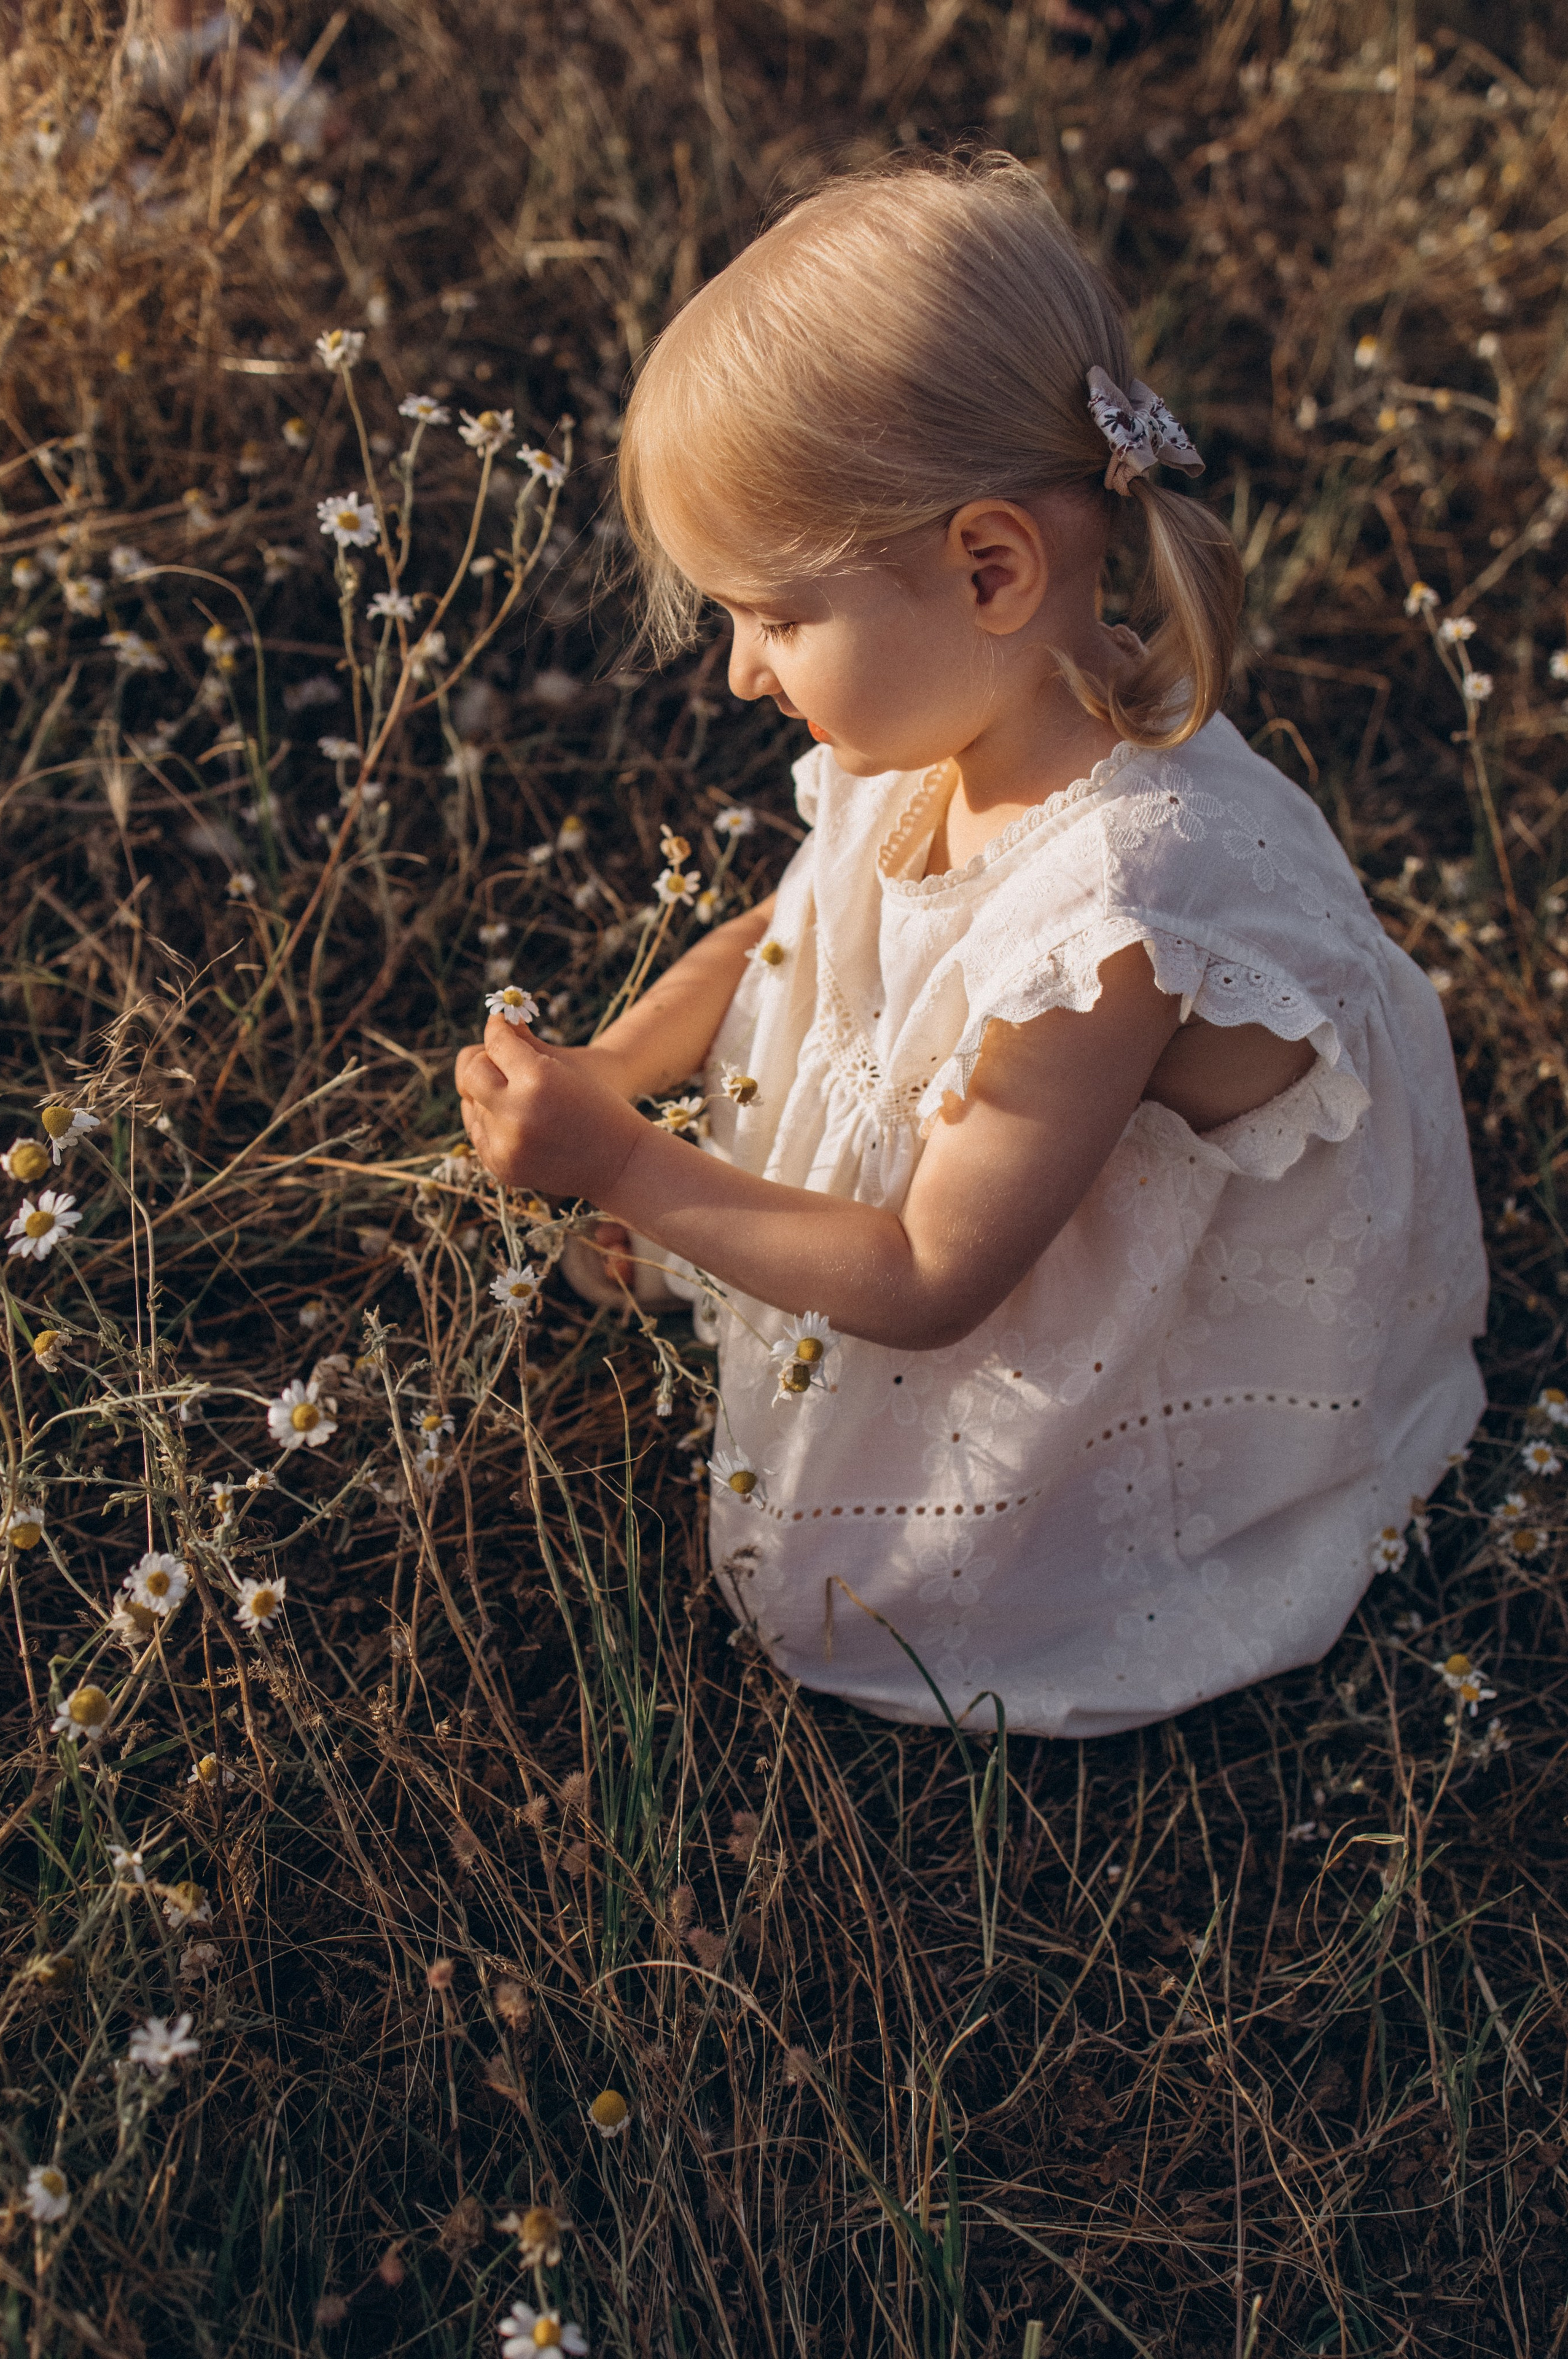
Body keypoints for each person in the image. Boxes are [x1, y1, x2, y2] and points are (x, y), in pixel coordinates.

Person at [456, 155, 1486, 1739]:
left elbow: (938, 1278)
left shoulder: (1117, 922)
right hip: (999, 1168)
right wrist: (613, 1073)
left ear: (990, 567)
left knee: (861, 1597)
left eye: (776, 618)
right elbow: (785, 937)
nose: (741, 673)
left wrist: (628, 1167)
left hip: (1061, 1252)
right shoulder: (969, 714)